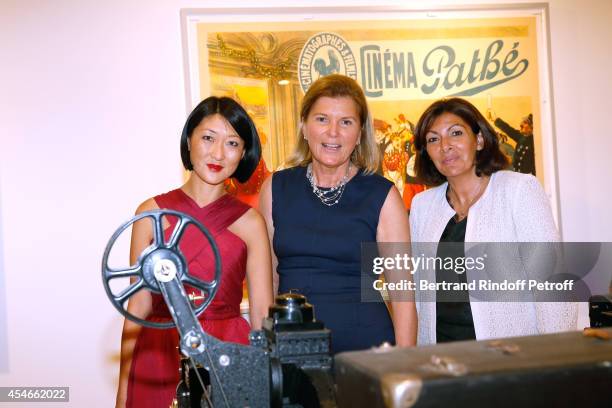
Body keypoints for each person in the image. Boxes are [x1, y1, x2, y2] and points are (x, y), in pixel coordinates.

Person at [116, 96, 273, 408]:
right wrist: (123, 389)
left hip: (228, 353)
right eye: (208, 138)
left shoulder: (250, 222)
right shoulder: (151, 214)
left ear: (243, 154)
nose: (218, 153)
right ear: (189, 140)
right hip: (159, 355)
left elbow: (261, 315)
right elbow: (139, 305)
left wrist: (266, 386)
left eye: (232, 143)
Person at [259, 74, 417, 354]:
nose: (333, 132)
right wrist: (265, 356)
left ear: (359, 134)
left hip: (367, 354)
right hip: (291, 352)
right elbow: (268, 280)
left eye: (346, 122)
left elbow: (402, 294)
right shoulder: (276, 188)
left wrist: (403, 369)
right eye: (322, 119)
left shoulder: (383, 195)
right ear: (304, 127)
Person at [410, 97, 576, 344]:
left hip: (511, 359)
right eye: (433, 139)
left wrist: (555, 355)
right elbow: (416, 291)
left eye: (455, 133)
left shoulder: (519, 190)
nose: (445, 146)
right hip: (440, 357)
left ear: (478, 140)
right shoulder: (423, 205)